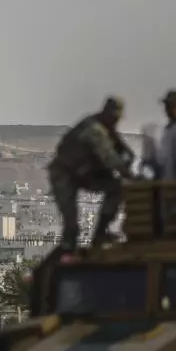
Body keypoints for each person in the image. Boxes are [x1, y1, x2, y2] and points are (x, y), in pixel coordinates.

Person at [47, 97, 134, 251]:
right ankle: (67, 252)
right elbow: (110, 157)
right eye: (114, 118)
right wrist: (130, 175)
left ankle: (100, 233)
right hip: (64, 176)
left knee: (116, 187)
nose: (115, 122)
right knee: (72, 226)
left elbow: (122, 153)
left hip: (83, 175)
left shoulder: (105, 129)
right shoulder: (94, 129)